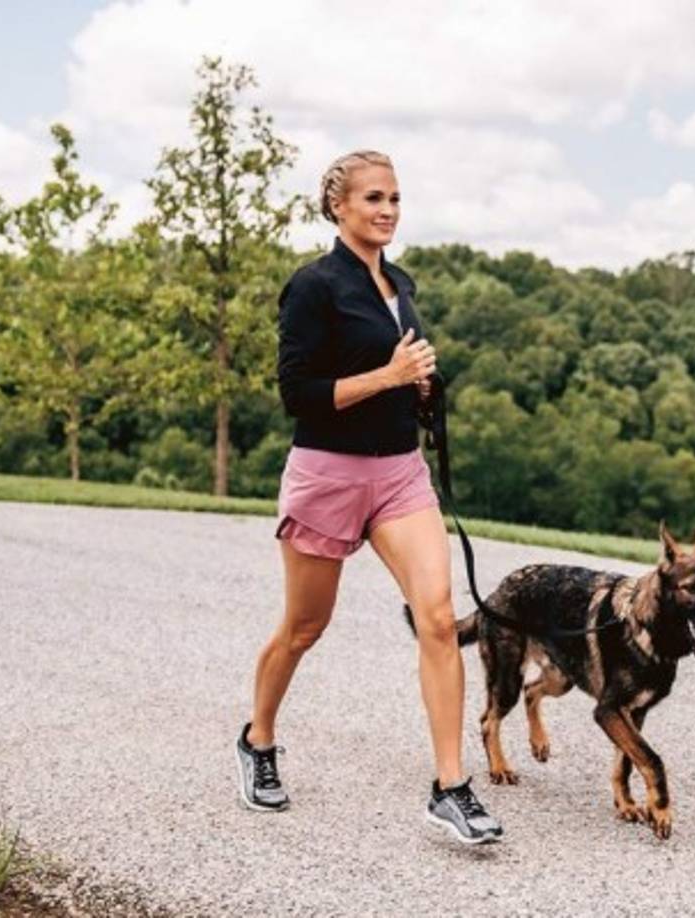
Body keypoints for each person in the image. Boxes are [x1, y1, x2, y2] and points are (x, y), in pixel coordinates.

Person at [234, 150, 503, 845]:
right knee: (304, 627)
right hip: (327, 473)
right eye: (374, 198)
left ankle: (451, 787)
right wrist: (389, 375)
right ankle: (258, 738)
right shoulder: (313, 286)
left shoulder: (398, 284)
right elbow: (298, 395)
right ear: (338, 206)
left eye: (395, 199)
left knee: (437, 618)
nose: (387, 211)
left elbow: (403, 376)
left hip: (399, 473)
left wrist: (422, 387)